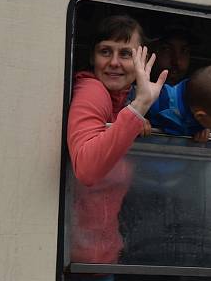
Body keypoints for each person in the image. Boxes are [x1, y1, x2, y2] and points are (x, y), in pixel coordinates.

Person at [66, 14, 167, 269]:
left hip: (101, 256)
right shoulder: (93, 91)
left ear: (141, 60)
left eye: (125, 54)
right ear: (92, 57)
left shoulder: (120, 100)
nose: (114, 62)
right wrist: (139, 107)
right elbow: (87, 169)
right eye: (105, 51)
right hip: (79, 262)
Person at [146, 64, 211, 142]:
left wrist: (202, 128)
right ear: (200, 116)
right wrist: (140, 119)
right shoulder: (161, 100)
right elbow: (135, 102)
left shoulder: (200, 112)